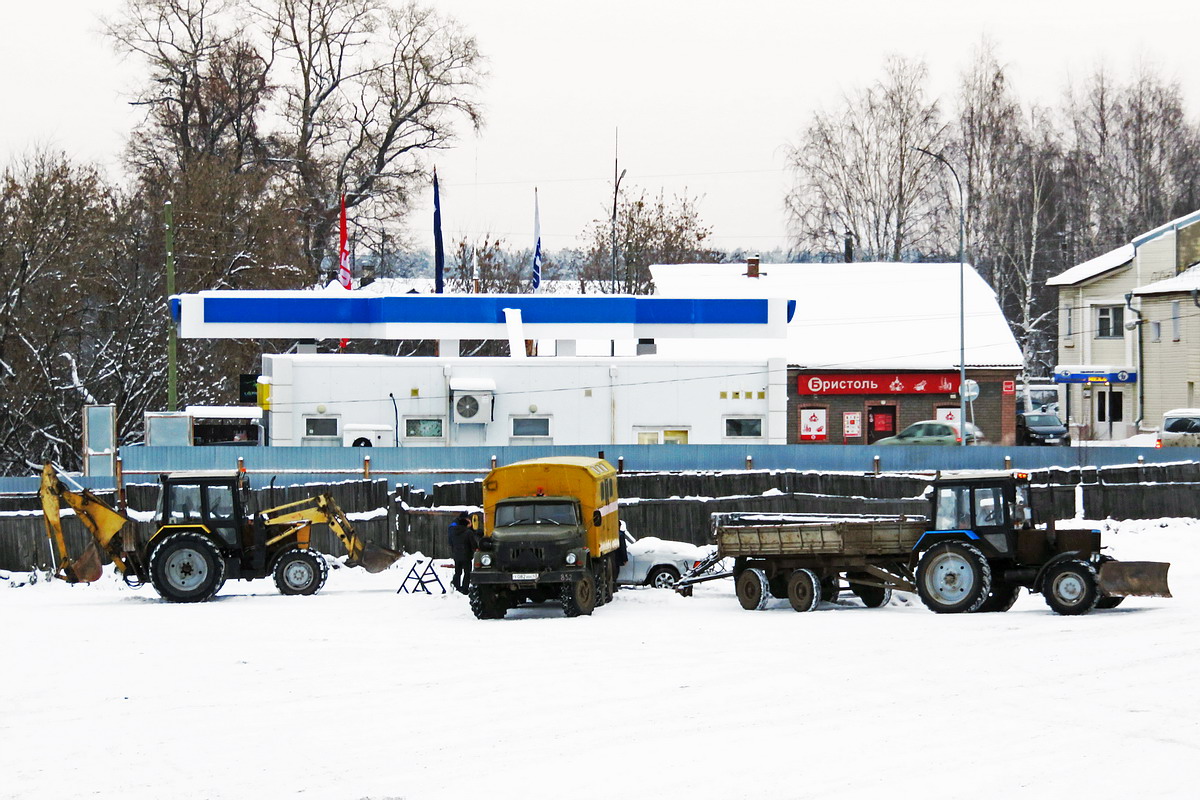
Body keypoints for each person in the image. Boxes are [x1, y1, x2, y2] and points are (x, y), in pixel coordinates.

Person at [447, 511, 476, 594]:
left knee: (458, 572)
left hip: (456, 554)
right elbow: (473, 544)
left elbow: (450, 542)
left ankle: (456, 586)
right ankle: (464, 589)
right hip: (466, 555)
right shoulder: (468, 532)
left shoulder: (453, 529)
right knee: (467, 572)